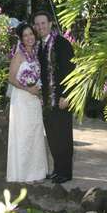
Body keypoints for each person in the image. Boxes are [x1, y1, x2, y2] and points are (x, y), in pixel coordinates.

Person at [32, 11, 75, 184]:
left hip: (61, 98)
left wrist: (68, 95)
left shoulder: (62, 44)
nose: (40, 27)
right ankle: (57, 169)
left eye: (43, 23)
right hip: (47, 100)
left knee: (64, 135)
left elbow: (71, 71)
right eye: (37, 24)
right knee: (52, 136)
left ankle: (66, 172)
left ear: (50, 24)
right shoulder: (39, 46)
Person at [6, 23, 48, 182]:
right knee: (23, 135)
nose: (29, 37)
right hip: (22, 99)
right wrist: (27, 88)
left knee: (35, 134)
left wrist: (37, 89)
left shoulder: (36, 54)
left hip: (34, 100)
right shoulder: (19, 55)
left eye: (31, 34)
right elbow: (11, 78)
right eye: (25, 35)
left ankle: (36, 173)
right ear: (21, 39)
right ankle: (22, 174)